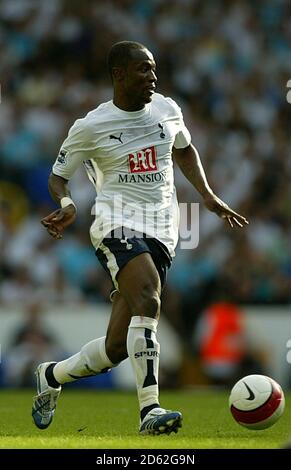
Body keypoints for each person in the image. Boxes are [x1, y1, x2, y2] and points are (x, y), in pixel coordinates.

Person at [31, 41, 249, 435]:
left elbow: (184, 150)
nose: (153, 77)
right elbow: (57, 175)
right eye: (143, 70)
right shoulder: (91, 126)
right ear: (119, 74)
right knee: (149, 296)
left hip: (164, 230)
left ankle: (51, 375)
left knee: (117, 347)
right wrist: (67, 202)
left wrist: (208, 196)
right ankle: (150, 410)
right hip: (116, 223)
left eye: (153, 70)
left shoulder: (167, 109)